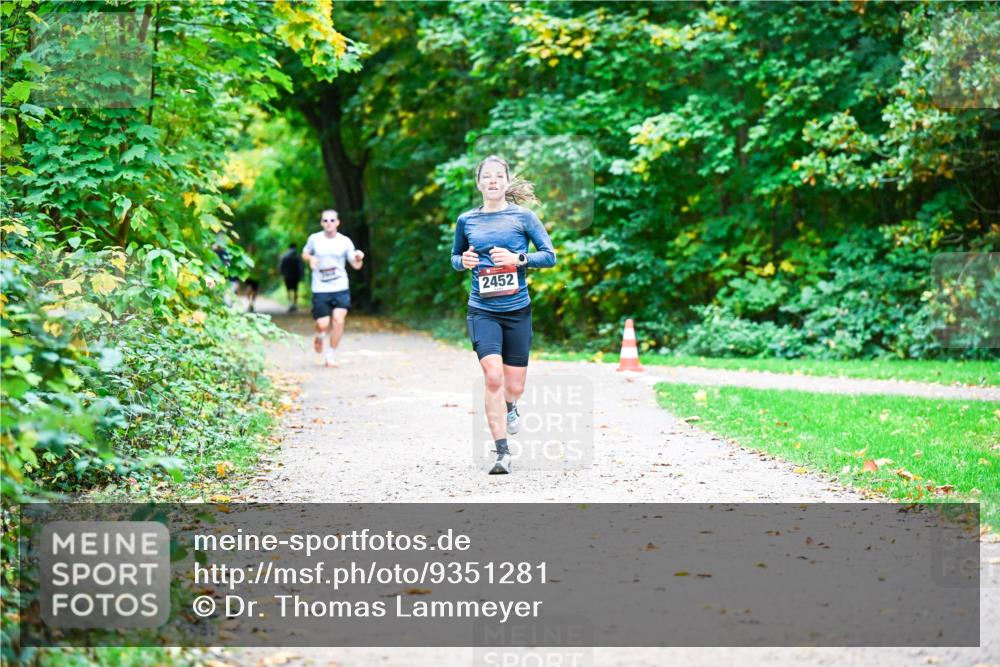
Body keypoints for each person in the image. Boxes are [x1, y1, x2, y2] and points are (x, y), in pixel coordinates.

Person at [451, 155, 556, 474]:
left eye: (499, 175)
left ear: (507, 182)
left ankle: (511, 405)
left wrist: (517, 258)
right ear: (479, 183)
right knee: (493, 377)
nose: (493, 180)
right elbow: (455, 257)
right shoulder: (466, 220)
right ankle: (502, 453)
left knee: (514, 387)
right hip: (482, 310)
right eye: (487, 176)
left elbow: (549, 256)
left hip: (517, 310)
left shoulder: (523, 217)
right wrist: (463, 262)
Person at [303, 209, 364, 367]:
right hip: (320, 288)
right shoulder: (314, 239)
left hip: (340, 287)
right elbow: (305, 253)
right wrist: (310, 259)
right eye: (325, 220)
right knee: (323, 324)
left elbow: (356, 265)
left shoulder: (344, 241)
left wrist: (359, 257)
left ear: (337, 222)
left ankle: (330, 354)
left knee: (338, 320)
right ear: (321, 223)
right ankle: (319, 336)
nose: (329, 223)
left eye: (332, 220)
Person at [279, 243, 304, 312]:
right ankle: (295, 304)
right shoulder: (297, 256)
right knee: (295, 290)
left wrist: (282, 274)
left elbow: (281, 266)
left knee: (288, 290)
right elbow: (301, 267)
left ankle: (290, 304)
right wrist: (301, 275)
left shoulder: (284, 256)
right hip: (295, 275)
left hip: (287, 276)